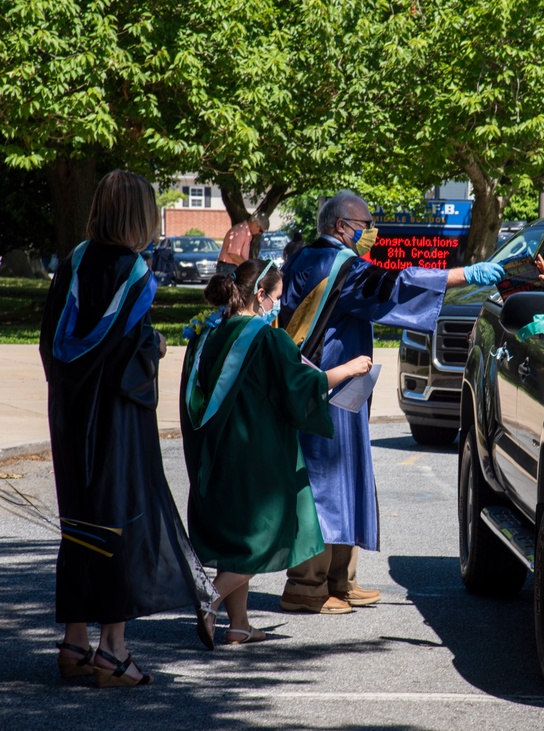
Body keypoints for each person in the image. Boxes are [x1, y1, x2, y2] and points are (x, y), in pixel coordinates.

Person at [278, 189, 504, 615]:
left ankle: (340, 580)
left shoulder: (307, 257)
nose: (369, 233)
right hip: (327, 386)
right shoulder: (335, 266)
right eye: (362, 225)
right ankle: (306, 585)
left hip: (333, 385)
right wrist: (463, 275)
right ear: (338, 225)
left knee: (343, 477)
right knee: (324, 484)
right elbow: (396, 284)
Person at [39, 169, 217, 687]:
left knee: (79, 523)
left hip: (69, 416)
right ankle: (112, 651)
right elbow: (125, 361)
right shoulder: (136, 273)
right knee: (114, 524)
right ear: (138, 216)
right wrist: (155, 346)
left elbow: (56, 344)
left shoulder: (73, 261)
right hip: (115, 422)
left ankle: (74, 640)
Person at [180, 259, 373, 647]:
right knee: (267, 536)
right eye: (278, 299)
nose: (280, 308)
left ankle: (239, 625)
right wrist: (350, 369)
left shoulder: (207, 333)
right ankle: (209, 599)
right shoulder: (266, 338)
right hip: (258, 456)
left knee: (238, 539)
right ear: (260, 294)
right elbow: (304, 385)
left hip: (217, 453)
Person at [217, 212, 269, 277]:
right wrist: (248, 266)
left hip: (233, 267)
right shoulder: (240, 231)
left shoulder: (247, 233)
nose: (259, 233)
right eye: (260, 230)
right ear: (255, 223)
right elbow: (233, 254)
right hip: (228, 267)